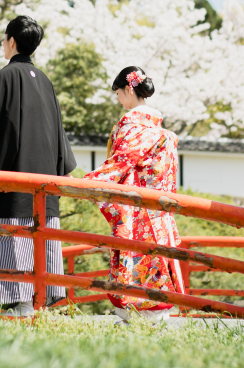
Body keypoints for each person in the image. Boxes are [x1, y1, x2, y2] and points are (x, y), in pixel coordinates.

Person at [0, 15, 77, 317]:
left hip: (13, 182)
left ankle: (19, 306)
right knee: (40, 238)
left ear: (12, 41)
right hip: (44, 186)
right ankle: (35, 303)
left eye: (4, 39)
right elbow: (58, 136)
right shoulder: (45, 81)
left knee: (12, 239)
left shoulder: (3, 77)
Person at [83, 66, 185, 323]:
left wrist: (86, 184)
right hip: (158, 211)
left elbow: (118, 164)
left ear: (129, 89)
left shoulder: (130, 127)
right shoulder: (162, 132)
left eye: (118, 93)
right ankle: (157, 315)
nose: (118, 99)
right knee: (157, 259)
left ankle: (134, 314)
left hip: (134, 211)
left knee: (133, 255)